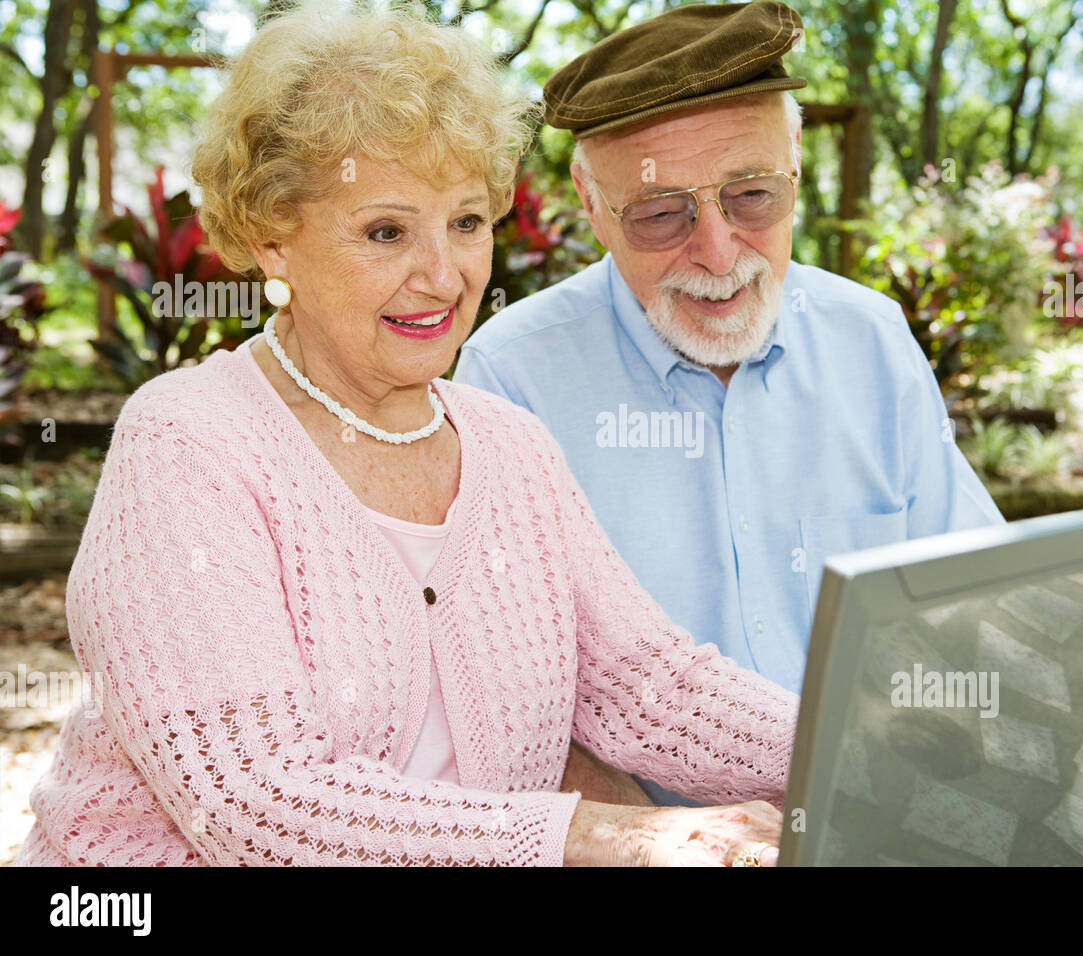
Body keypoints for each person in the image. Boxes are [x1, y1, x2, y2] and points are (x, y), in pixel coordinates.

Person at [13, 1, 796, 867]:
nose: (443, 275)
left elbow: (650, 689)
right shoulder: (188, 444)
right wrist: (600, 837)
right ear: (273, 240)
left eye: (466, 223)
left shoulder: (511, 447)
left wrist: (877, 738)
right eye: (386, 231)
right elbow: (260, 801)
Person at [454, 0, 1005, 804]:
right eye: (658, 213)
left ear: (795, 163)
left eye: (751, 197)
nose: (716, 253)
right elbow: (505, 706)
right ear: (589, 203)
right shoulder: (511, 379)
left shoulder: (872, 340)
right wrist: (656, 846)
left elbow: (970, 601)